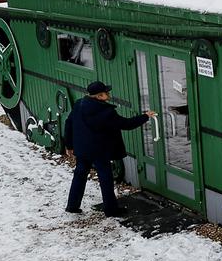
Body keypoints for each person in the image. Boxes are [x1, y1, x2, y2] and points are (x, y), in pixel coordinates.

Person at [63, 81, 154, 217]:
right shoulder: (105, 112)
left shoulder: (79, 105)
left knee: (79, 176)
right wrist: (145, 116)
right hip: (99, 151)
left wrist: (69, 145)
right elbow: (126, 124)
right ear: (99, 96)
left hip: (82, 149)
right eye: (106, 93)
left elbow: (68, 123)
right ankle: (111, 210)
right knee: (106, 179)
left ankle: (72, 206)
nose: (109, 94)